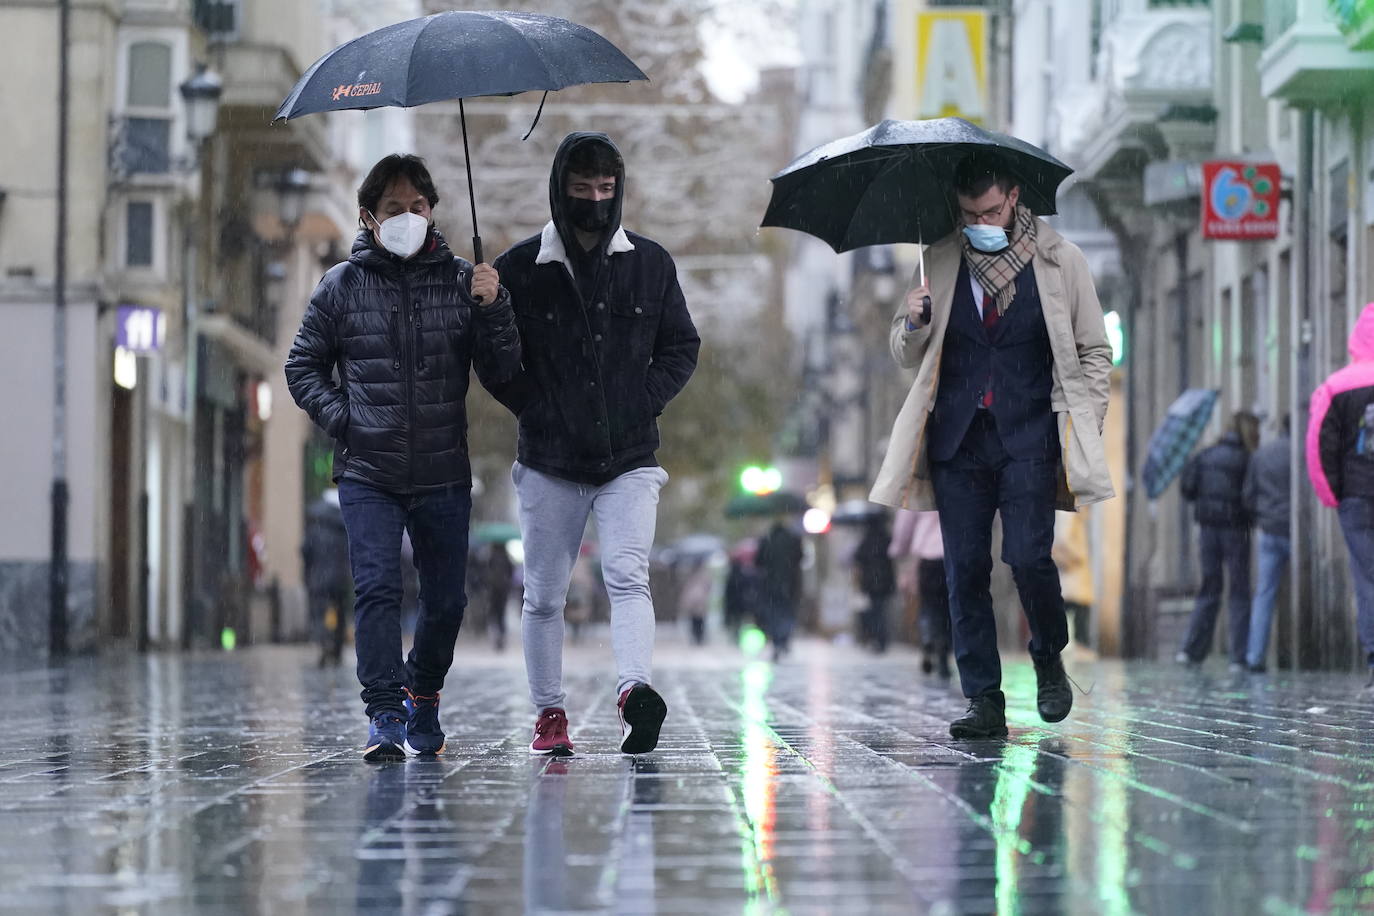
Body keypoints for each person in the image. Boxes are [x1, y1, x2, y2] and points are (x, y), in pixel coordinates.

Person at [869, 150, 1115, 739]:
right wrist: (913, 321)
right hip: (958, 441)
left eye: (990, 211)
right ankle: (983, 698)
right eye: (969, 214)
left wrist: (1086, 418)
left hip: (1030, 435)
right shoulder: (938, 260)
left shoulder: (1061, 260)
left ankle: (1049, 656)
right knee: (964, 571)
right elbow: (903, 352)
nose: (981, 222)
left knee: (1028, 558)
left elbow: (1094, 350)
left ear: (1013, 198)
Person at [285, 153, 520, 761]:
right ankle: (385, 713)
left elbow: (503, 372)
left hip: (443, 471)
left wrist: (494, 308)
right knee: (377, 589)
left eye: (418, 205)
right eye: (394, 208)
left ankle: (424, 691)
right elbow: (302, 367)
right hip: (369, 472)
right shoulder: (341, 285)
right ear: (369, 217)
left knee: (446, 601)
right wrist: (348, 421)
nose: (408, 217)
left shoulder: (463, 281)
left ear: (433, 210)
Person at [490, 132, 700, 757]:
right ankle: (548, 712)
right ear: (560, 190)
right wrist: (491, 316)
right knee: (543, 594)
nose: (595, 201)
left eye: (606, 188)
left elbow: (681, 347)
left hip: (629, 457)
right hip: (549, 460)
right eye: (582, 189)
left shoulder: (650, 265)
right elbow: (495, 365)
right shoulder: (517, 270)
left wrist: (641, 400)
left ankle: (635, 694)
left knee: (628, 576)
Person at [1307, 302, 1374, 692]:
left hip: (1356, 496)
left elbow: (1320, 446)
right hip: (1355, 494)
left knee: (1366, 577)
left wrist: (1332, 493)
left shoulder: (1336, 386)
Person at [1176, 410, 1258, 670]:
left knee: (1209, 588)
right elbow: (1251, 496)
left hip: (1208, 530)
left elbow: (1187, 488)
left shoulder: (1205, 455)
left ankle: (1191, 650)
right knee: (1239, 591)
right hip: (1236, 531)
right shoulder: (1247, 459)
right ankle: (1238, 656)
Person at [1243, 415, 1292, 673]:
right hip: (1294, 529)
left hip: (1269, 530)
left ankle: (1255, 655)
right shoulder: (1300, 451)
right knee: (1301, 587)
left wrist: (1262, 517)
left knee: (1264, 594)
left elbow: (1248, 496)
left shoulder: (1262, 454)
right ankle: (1302, 650)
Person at [301, 488, 351, 667]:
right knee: (340, 612)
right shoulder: (344, 528)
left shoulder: (315, 528)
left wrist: (309, 571)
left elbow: (305, 551)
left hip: (319, 577)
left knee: (320, 612)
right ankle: (336, 647)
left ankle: (324, 642)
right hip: (340, 579)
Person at [755, 517, 804, 662]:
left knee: (774, 613)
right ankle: (784, 639)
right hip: (790, 583)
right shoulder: (794, 540)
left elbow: (759, 562)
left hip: (771, 584)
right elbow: (800, 558)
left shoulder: (766, 541)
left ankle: (777, 641)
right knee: (787, 611)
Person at [853, 513, 897, 653]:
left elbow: (858, 559)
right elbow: (893, 554)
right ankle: (881, 638)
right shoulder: (886, 538)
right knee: (881, 610)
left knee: (874, 611)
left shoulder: (866, 540)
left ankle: (877, 638)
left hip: (870, 582)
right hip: (885, 581)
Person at [483, 541, 515, 651]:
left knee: (494, 613)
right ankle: (501, 636)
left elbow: (485, 572)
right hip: (503, 590)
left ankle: (496, 636)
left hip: (493, 590)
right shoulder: (507, 558)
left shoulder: (491, 558)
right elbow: (511, 572)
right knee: (501, 614)